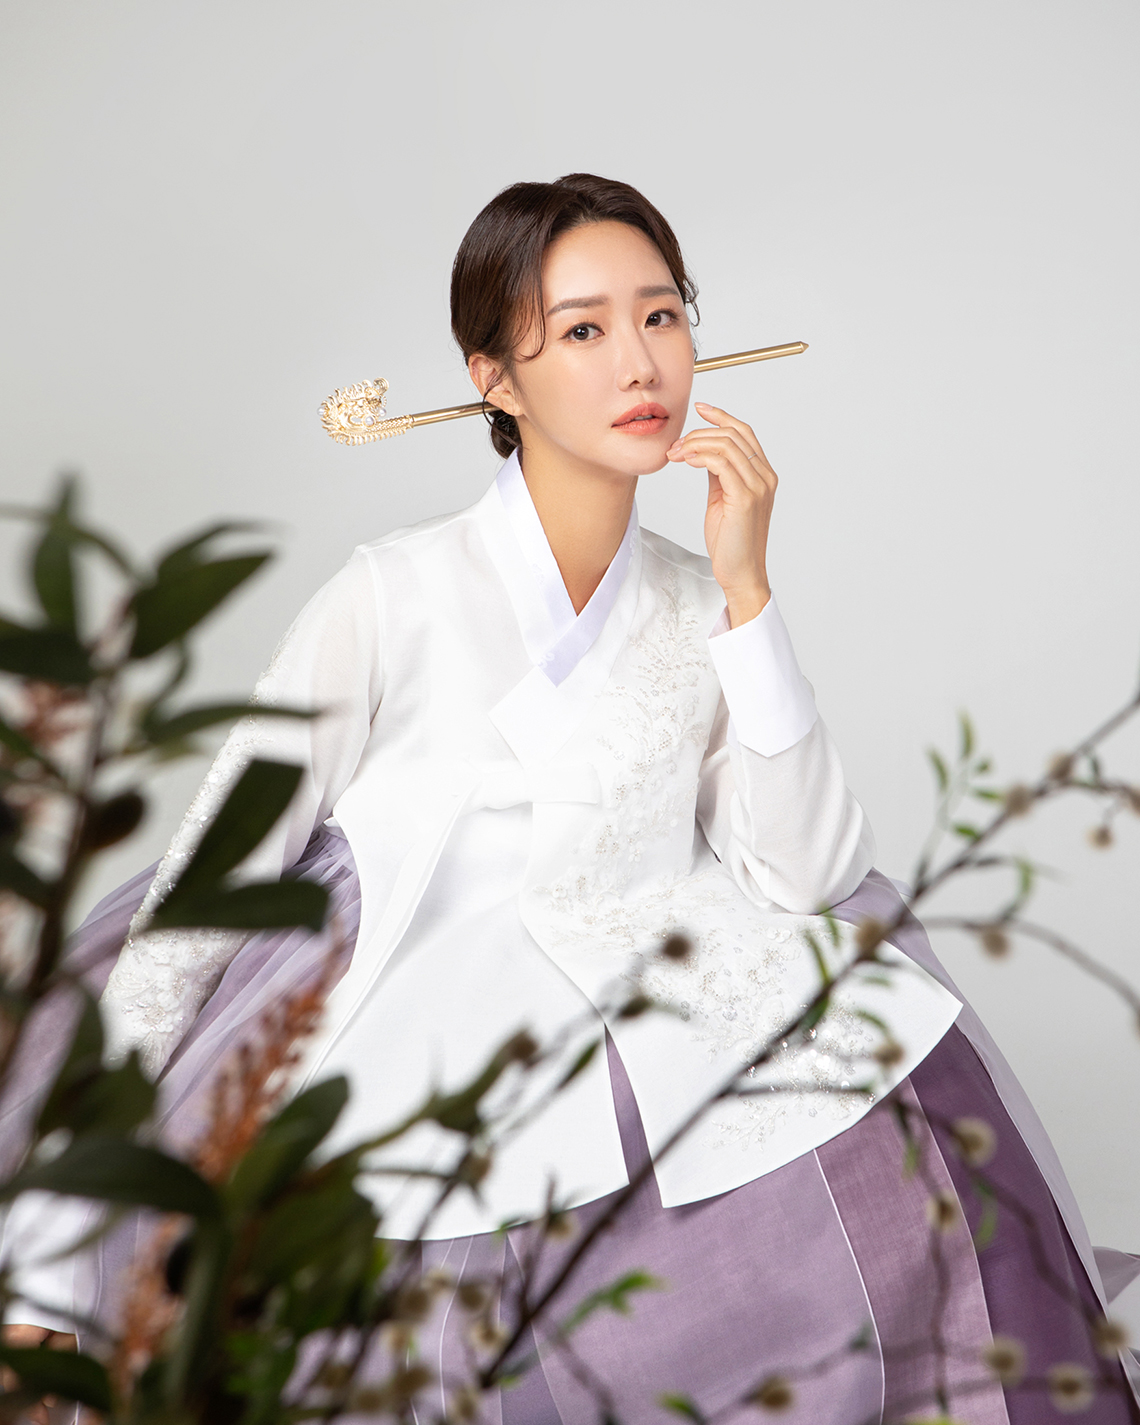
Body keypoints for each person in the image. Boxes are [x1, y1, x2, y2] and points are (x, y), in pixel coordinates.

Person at [3, 173, 1138, 1425]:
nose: (641, 363)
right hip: (411, 996)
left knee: (899, 1100)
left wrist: (748, 590)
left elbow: (808, 871)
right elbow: (208, 887)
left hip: (650, 987)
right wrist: (48, 1253)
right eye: (584, 329)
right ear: (493, 377)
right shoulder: (390, 594)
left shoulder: (698, 598)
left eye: (663, 315)